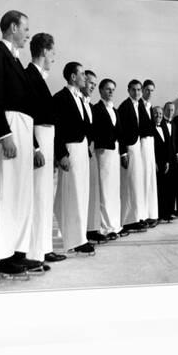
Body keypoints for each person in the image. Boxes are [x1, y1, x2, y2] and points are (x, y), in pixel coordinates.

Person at [0, 10, 44, 278]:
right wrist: (5, 135)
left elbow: (28, 106)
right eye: (25, 29)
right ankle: (2, 257)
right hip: (10, 128)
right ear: (13, 27)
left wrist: (35, 144)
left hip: (24, 129)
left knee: (20, 195)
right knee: (6, 194)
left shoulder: (16, 61)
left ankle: (18, 253)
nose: (28, 34)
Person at [24, 33, 67, 264]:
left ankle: (44, 247)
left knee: (45, 197)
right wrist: (35, 148)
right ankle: (33, 251)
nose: (54, 57)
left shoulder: (39, 77)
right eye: (52, 52)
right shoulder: (29, 76)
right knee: (37, 196)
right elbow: (25, 117)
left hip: (47, 139)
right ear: (43, 51)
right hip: (39, 139)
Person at [53, 62, 95, 255]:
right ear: (72, 77)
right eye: (82, 74)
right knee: (73, 194)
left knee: (82, 193)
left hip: (82, 150)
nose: (85, 78)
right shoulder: (60, 98)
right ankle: (75, 240)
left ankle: (80, 236)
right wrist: (61, 154)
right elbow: (57, 129)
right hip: (70, 150)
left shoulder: (81, 98)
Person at [91, 78, 128, 240]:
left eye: (113, 89)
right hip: (103, 152)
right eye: (108, 89)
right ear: (100, 91)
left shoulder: (116, 110)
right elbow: (94, 131)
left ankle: (114, 226)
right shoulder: (96, 109)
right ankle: (104, 227)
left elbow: (121, 133)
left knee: (114, 190)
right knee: (104, 190)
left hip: (114, 154)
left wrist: (123, 153)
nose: (111, 92)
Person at [117, 80, 148, 232]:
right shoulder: (124, 107)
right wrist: (123, 152)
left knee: (136, 184)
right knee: (129, 184)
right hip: (129, 148)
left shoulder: (139, 105)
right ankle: (128, 220)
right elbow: (120, 132)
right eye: (133, 90)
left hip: (137, 147)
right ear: (128, 91)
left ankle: (136, 217)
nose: (136, 93)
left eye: (139, 90)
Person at [81, 70, 107, 244]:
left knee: (93, 191)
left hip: (91, 151)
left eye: (95, 85)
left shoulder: (90, 106)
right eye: (90, 83)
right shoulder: (78, 102)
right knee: (82, 192)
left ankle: (92, 228)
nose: (92, 87)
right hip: (79, 150)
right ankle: (81, 231)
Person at [138, 80, 159, 228]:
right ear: (143, 90)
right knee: (143, 180)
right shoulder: (138, 105)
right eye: (147, 90)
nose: (149, 93)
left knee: (150, 179)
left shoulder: (150, 107)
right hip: (141, 145)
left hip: (150, 146)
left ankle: (151, 214)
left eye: (152, 90)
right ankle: (142, 215)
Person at [152, 104, 177, 223]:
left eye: (160, 114)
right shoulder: (151, 129)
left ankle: (167, 213)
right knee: (159, 189)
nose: (158, 116)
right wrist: (155, 162)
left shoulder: (163, 127)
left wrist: (167, 161)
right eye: (156, 113)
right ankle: (159, 214)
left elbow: (167, 145)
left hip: (165, 163)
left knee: (167, 188)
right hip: (156, 163)